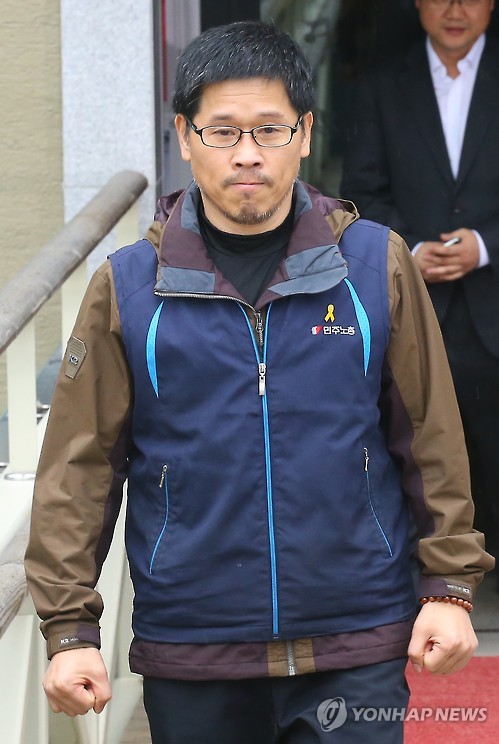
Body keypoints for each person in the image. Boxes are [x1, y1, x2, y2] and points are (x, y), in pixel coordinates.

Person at [25, 20, 493, 744]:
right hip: (195, 646)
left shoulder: (373, 264)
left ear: (304, 134)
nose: (247, 153)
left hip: (356, 637)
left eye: (270, 129)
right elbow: (79, 468)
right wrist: (68, 628)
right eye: (222, 131)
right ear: (184, 137)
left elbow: (429, 436)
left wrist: (450, 587)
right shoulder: (130, 287)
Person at [340, 0, 499, 565]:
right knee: (416, 453)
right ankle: (426, 583)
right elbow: (360, 191)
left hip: (492, 304)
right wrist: (407, 250)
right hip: (413, 304)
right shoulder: (381, 83)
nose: (455, 10)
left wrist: (486, 244)